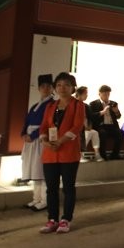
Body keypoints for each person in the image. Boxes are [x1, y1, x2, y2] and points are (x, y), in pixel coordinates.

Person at [38, 72, 86, 234]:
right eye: (58, 85)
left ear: (73, 88)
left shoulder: (78, 105)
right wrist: (44, 140)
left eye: (66, 85)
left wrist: (61, 141)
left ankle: (66, 219)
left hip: (68, 152)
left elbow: (77, 126)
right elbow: (43, 126)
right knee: (51, 188)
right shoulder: (50, 106)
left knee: (68, 187)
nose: (62, 88)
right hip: (50, 153)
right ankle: (52, 219)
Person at [20, 74, 53, 210]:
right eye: (42, 86)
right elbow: (27, 121)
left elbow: (49, 124)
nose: (45, 89)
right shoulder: (35, 105)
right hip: (31, 141)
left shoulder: (52, 105)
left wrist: (33, 135)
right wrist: (23, 134)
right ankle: (36, 198)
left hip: (41, 140)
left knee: (41, 170)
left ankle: (44, 200)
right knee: (34, 170)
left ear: (52, 89)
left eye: (48, 86)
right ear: (39, 88)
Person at [89, 85, 123, 160]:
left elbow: (118, 116)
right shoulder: (93, 104)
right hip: (101, 126)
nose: (107, 96)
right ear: (99, 94)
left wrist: (116, 111)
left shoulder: (113, 103)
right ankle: (103, 155)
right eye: (104, 94)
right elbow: (92, 117)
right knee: (102, 133)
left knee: (121, 133)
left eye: (108, 94)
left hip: (112, 126)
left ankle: (115, 154)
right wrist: (102, 112)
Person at [73, 86, 101, 161]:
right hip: (76, 129)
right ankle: (79, 155)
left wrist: (89, 126)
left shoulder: (86, 106)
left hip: (85, 127)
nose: (87, 95)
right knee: (85, 134)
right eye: (85, 93)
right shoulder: (73, 104)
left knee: (94, 132)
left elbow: (90, 117)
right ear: (79, 94)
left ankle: (97, 154)